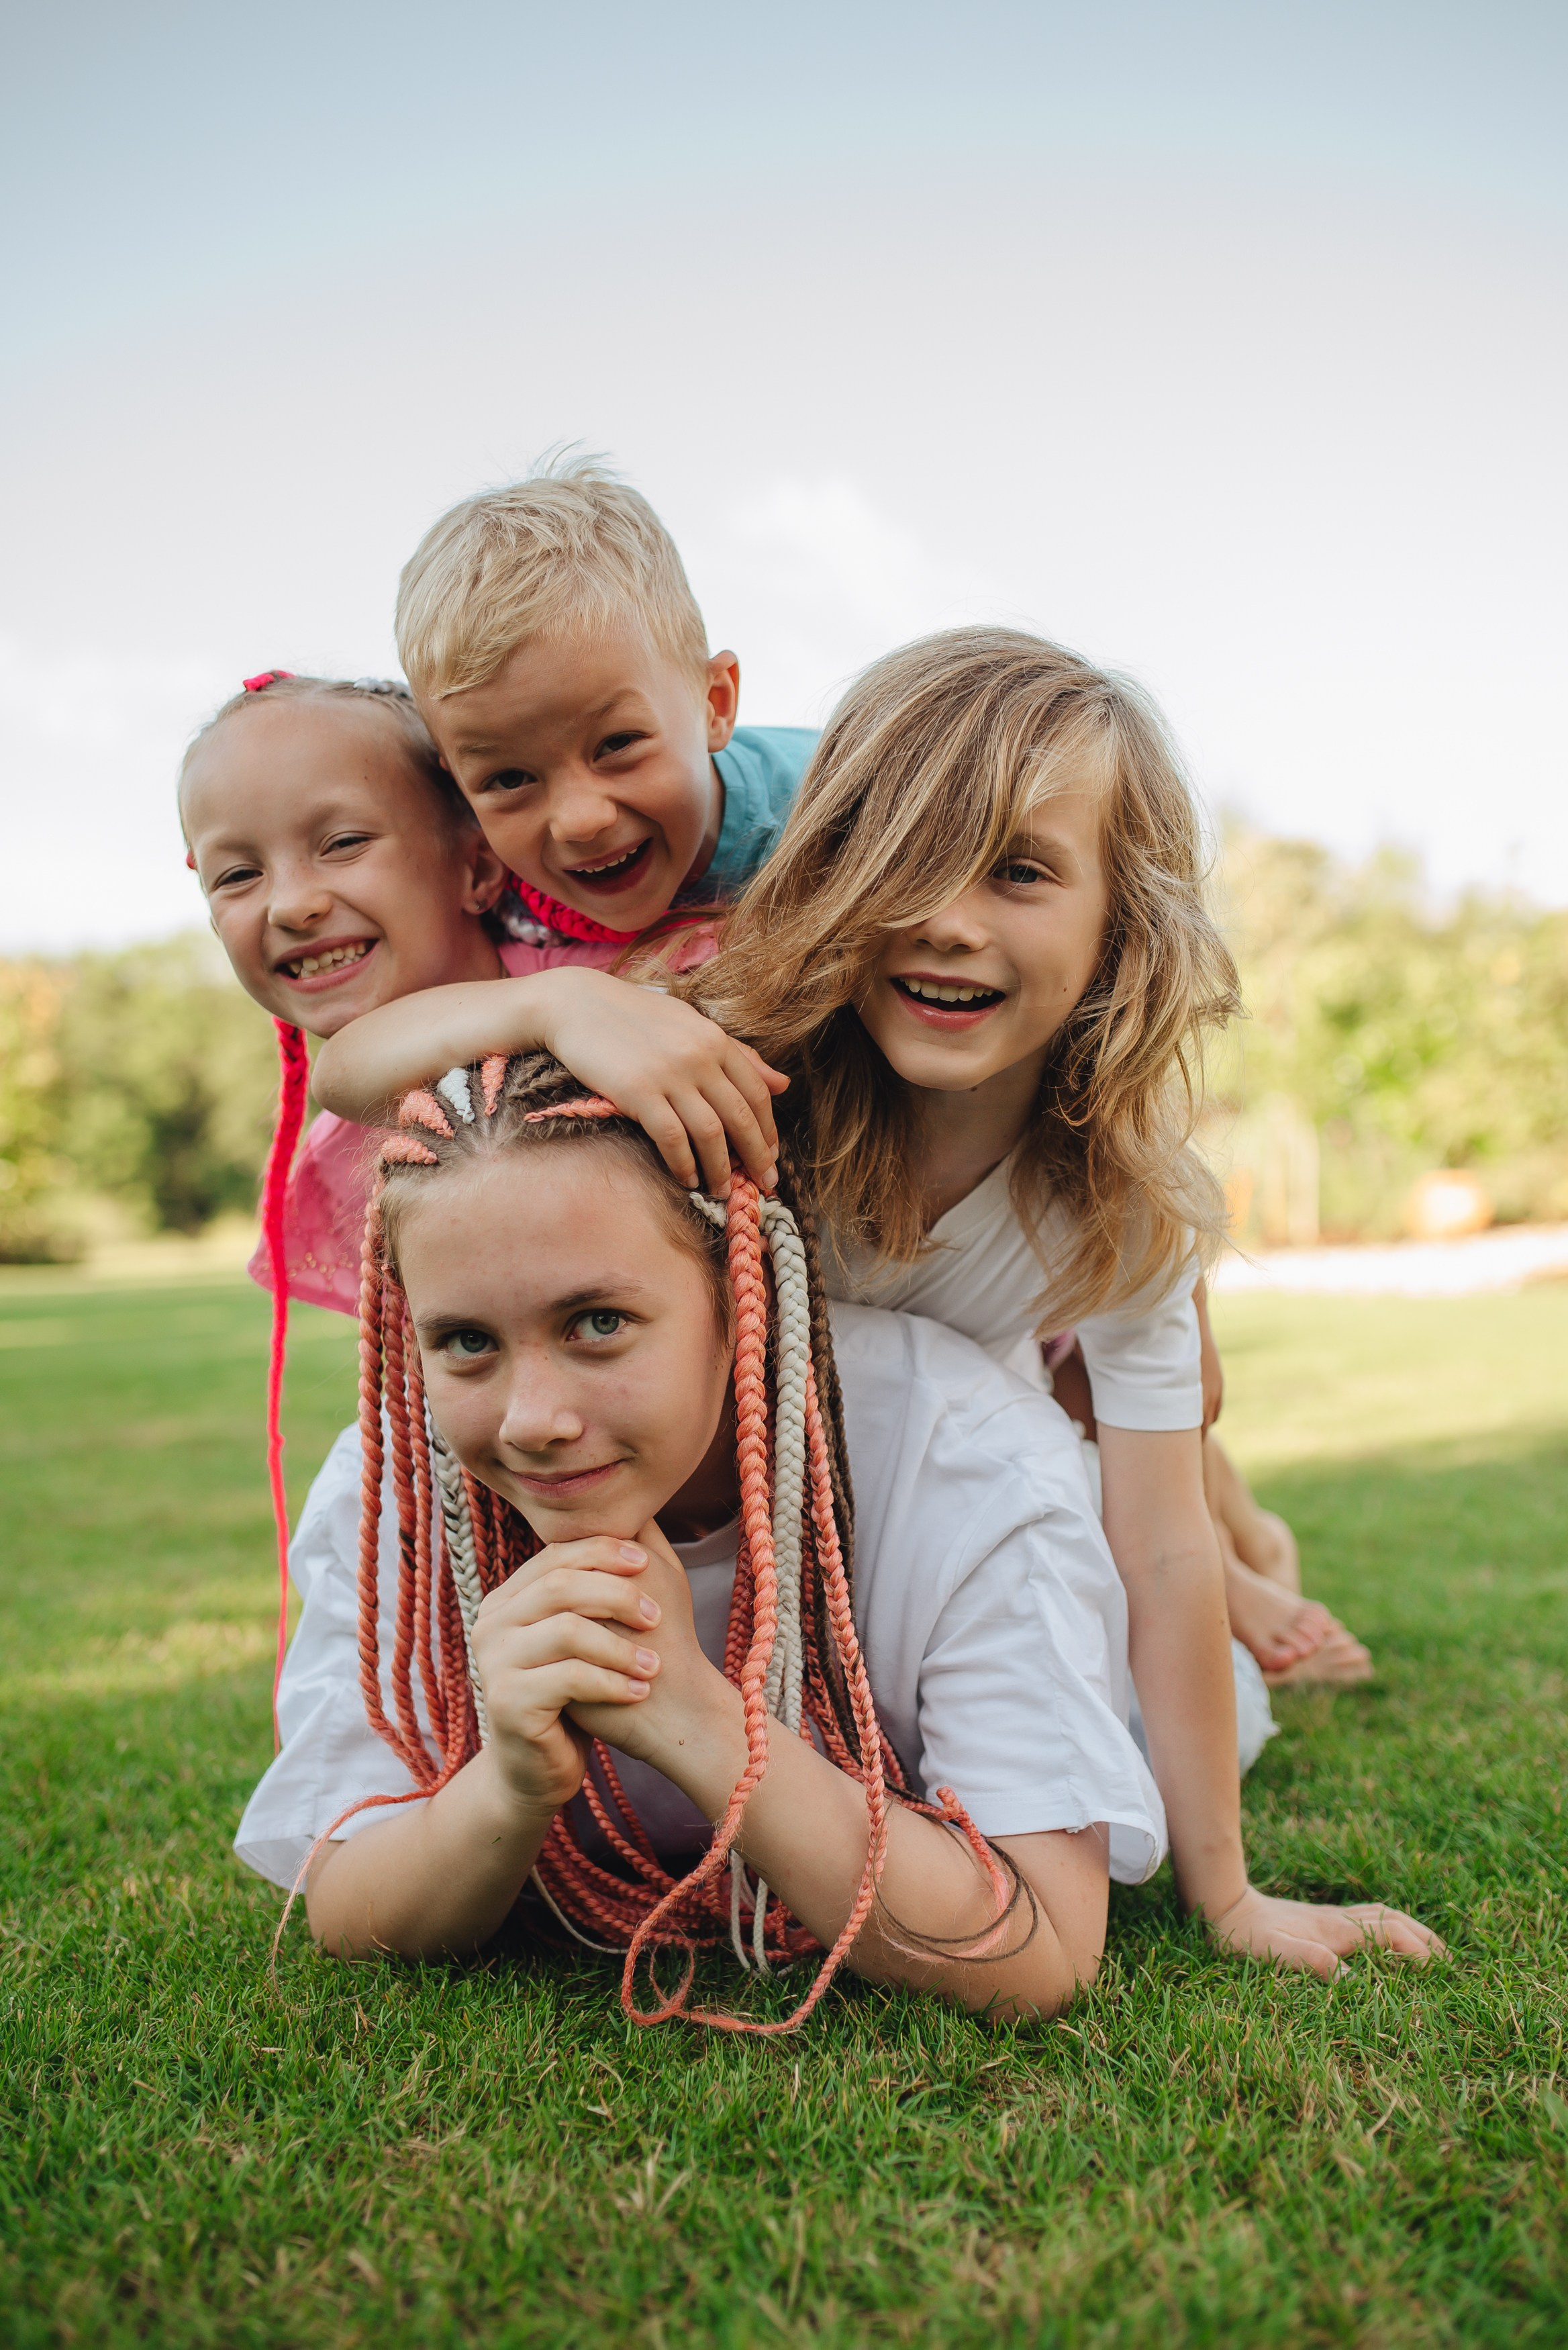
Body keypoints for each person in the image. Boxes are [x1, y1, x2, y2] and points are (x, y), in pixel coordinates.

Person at [689, 626, 1428, 1970]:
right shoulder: (739, 1095)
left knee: (1167, 1691)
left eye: (1019, 871)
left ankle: (1266, 1575)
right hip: (778, 1567)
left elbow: (1159, 1547)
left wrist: (1227, 1896)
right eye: (908, 857)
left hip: (975, 1558)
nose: (948, 918)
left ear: (1115, 926)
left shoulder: (1124, 1206)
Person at [236, 1053, 1194, 2024]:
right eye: (468, 1342)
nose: (532, 1420)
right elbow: (344, 1902)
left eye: (598, 1323)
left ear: (740, 1295)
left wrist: (695, 1716)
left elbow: (1042, 1952)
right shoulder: (396, 1482)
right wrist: (509, 1789)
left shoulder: (973, 1459)